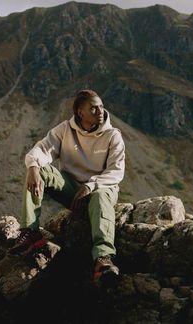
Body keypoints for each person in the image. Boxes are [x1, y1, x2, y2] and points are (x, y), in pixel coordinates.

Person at [19, 89, 125, 283]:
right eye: (93, 108)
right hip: (73, 191)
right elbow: (42, 149)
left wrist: (91, 185)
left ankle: (103, 257)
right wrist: (33, 166)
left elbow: (116, 172)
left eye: (101, 106)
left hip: (101, 190)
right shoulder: (64, 130)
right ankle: (31, 232)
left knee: (101, 196)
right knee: (38, 171)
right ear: (80, 112)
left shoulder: (113, 135)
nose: (100, 111)